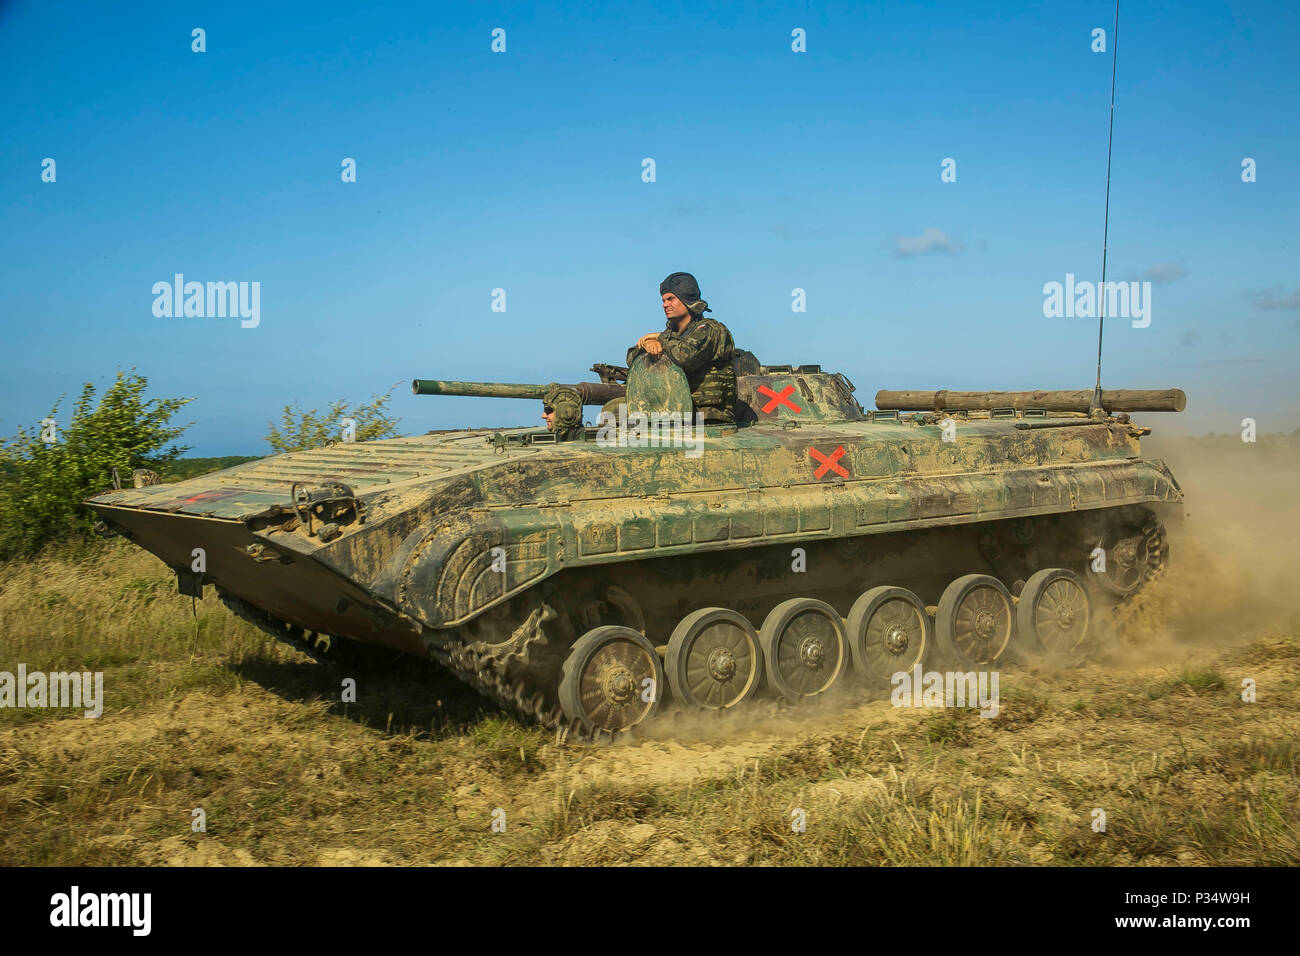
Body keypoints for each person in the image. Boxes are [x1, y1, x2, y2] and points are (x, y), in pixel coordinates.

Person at [628, 272, 737, 424]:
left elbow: (685, 355)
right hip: (676, 419)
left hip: (710, 419)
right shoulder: (671, 335)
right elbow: (632, 360)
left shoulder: (710, 330)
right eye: (663, 300)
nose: (665, 304)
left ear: (687, 300)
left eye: (671, 299)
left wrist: (660, 338)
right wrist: (648, 346)